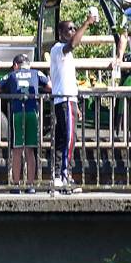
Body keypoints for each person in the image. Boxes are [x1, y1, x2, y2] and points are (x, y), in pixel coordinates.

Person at [0, 54, 50, 192]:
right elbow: (50, 86)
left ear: (16, 65)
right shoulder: (36, 73)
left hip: (18, 112)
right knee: (30, 150)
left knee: (17, 150)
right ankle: (30, 185)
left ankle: (16, 185)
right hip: (32, 112)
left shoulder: (12, 74)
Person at [51, 15, 96, 193]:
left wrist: (76, 106)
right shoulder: (58, 48)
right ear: (61, 33)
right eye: (69, 29)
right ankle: (64, 176)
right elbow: (73, 44)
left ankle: (59, 178)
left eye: (74, 28)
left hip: (69, 100)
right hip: (64, 99)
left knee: (64, 139)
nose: (73, 31)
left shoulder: (66, 54)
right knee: (69, 139)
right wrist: (86, 24)